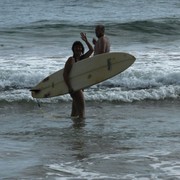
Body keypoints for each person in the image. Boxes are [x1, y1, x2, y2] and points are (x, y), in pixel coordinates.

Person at [63, 32, 93, 121]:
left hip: (79, 87)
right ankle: (80, 129)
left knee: (75, 113)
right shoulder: (71, 60)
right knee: (82, 113)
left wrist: (86, 40)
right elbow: (65, 74)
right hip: (74, 88)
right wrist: (69, 88)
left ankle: (75, 130)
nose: (78, 48)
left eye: (80, 47)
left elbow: (92, 50)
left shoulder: (82, 59)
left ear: (82, 49)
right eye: (76, 47)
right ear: (73, 49)